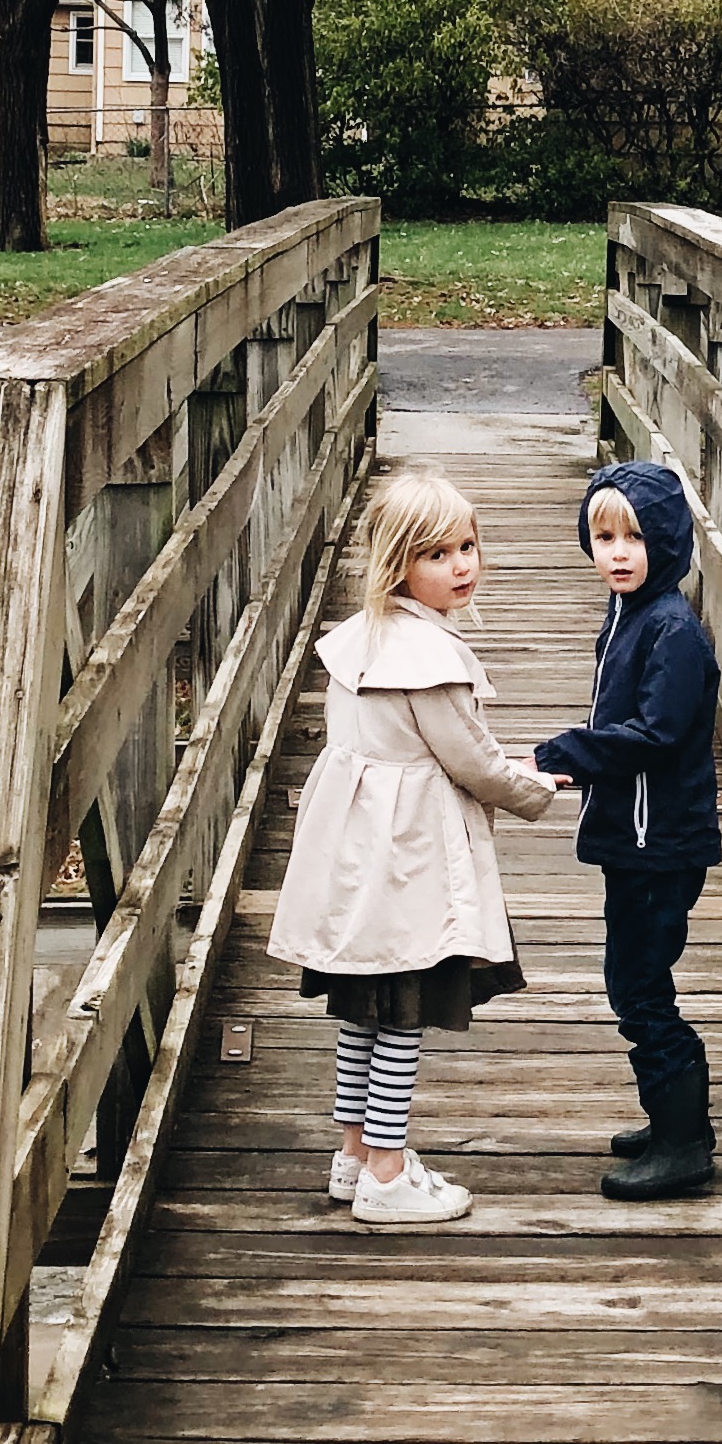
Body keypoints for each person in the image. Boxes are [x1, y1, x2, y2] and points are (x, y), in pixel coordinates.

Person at [266, 462, 560, 1229]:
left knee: (362, 1007)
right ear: (397, 565)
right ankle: (390, 1175)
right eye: (437, 554)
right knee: (403, 1010)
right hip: (409, 861)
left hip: (356, 857)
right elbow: (469, 759)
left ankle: (355, 1153)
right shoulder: (426, 663)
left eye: (468, 546)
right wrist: (537, 786)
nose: (461, 565)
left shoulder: (363, 641)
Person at [532, 460, 721, 1202]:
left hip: (660, 842)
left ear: (667, 542)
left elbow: (653, 735)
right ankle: (672, 1117)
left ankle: (684, 1143)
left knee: (639, 985)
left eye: (636, 537)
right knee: (636, 976)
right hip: (637, 834)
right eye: (603, 534)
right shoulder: (629, 616)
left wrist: (565, 753)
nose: (617, 551)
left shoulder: (671, 629)